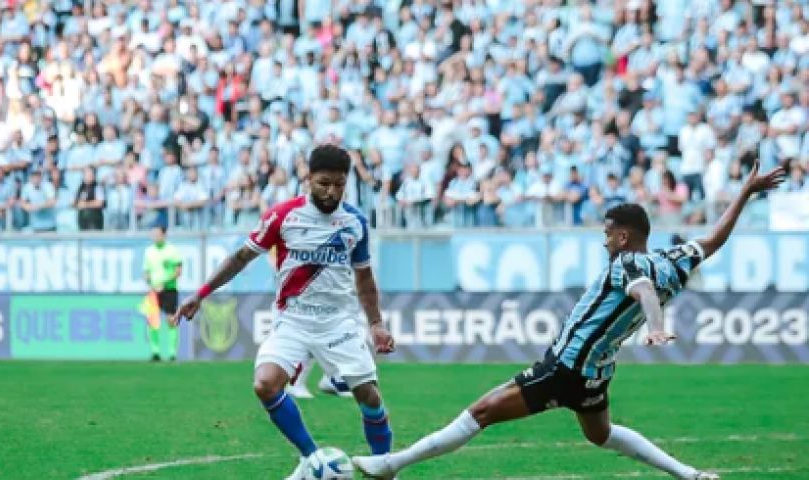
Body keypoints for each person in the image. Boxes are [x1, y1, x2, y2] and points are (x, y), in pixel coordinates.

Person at [353, 162, 786, 480]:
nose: (602, 242)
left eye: (605, 234)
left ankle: (391, 464)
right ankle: (688, 473)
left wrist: (655, 325)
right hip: (596, 374)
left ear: (622, 236)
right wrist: (746, 193)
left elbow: (643, 291)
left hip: (566, 367)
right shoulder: (673, 261)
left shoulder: (627, 262)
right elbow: (713, 241)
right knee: (600, 434)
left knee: (481, 412)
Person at [173, 145, 396, 479]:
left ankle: (385, 467)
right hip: (292, 320)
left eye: (338, 184)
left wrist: (376, 324)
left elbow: (364, 278)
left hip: (339, 322)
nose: (331, 191)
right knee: (265, 384)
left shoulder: (355, 223)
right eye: (323, 183)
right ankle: (312, 459)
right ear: (307, 179)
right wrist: (201, 294)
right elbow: (240, 258)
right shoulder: (283, 216)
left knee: (370, 397)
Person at [143, 226, 183, 362]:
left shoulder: (172, 251)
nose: (155, 237)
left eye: (158, 234)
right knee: (153, 320)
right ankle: (155, 352)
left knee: (171, 319)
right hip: (154, 290)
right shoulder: (149, 252)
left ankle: (172, 353)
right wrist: (149, 281)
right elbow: (146, 271)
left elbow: (178, 271)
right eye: (153, 234)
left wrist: (164, 283)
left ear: (164, 235)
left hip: (169, 289)